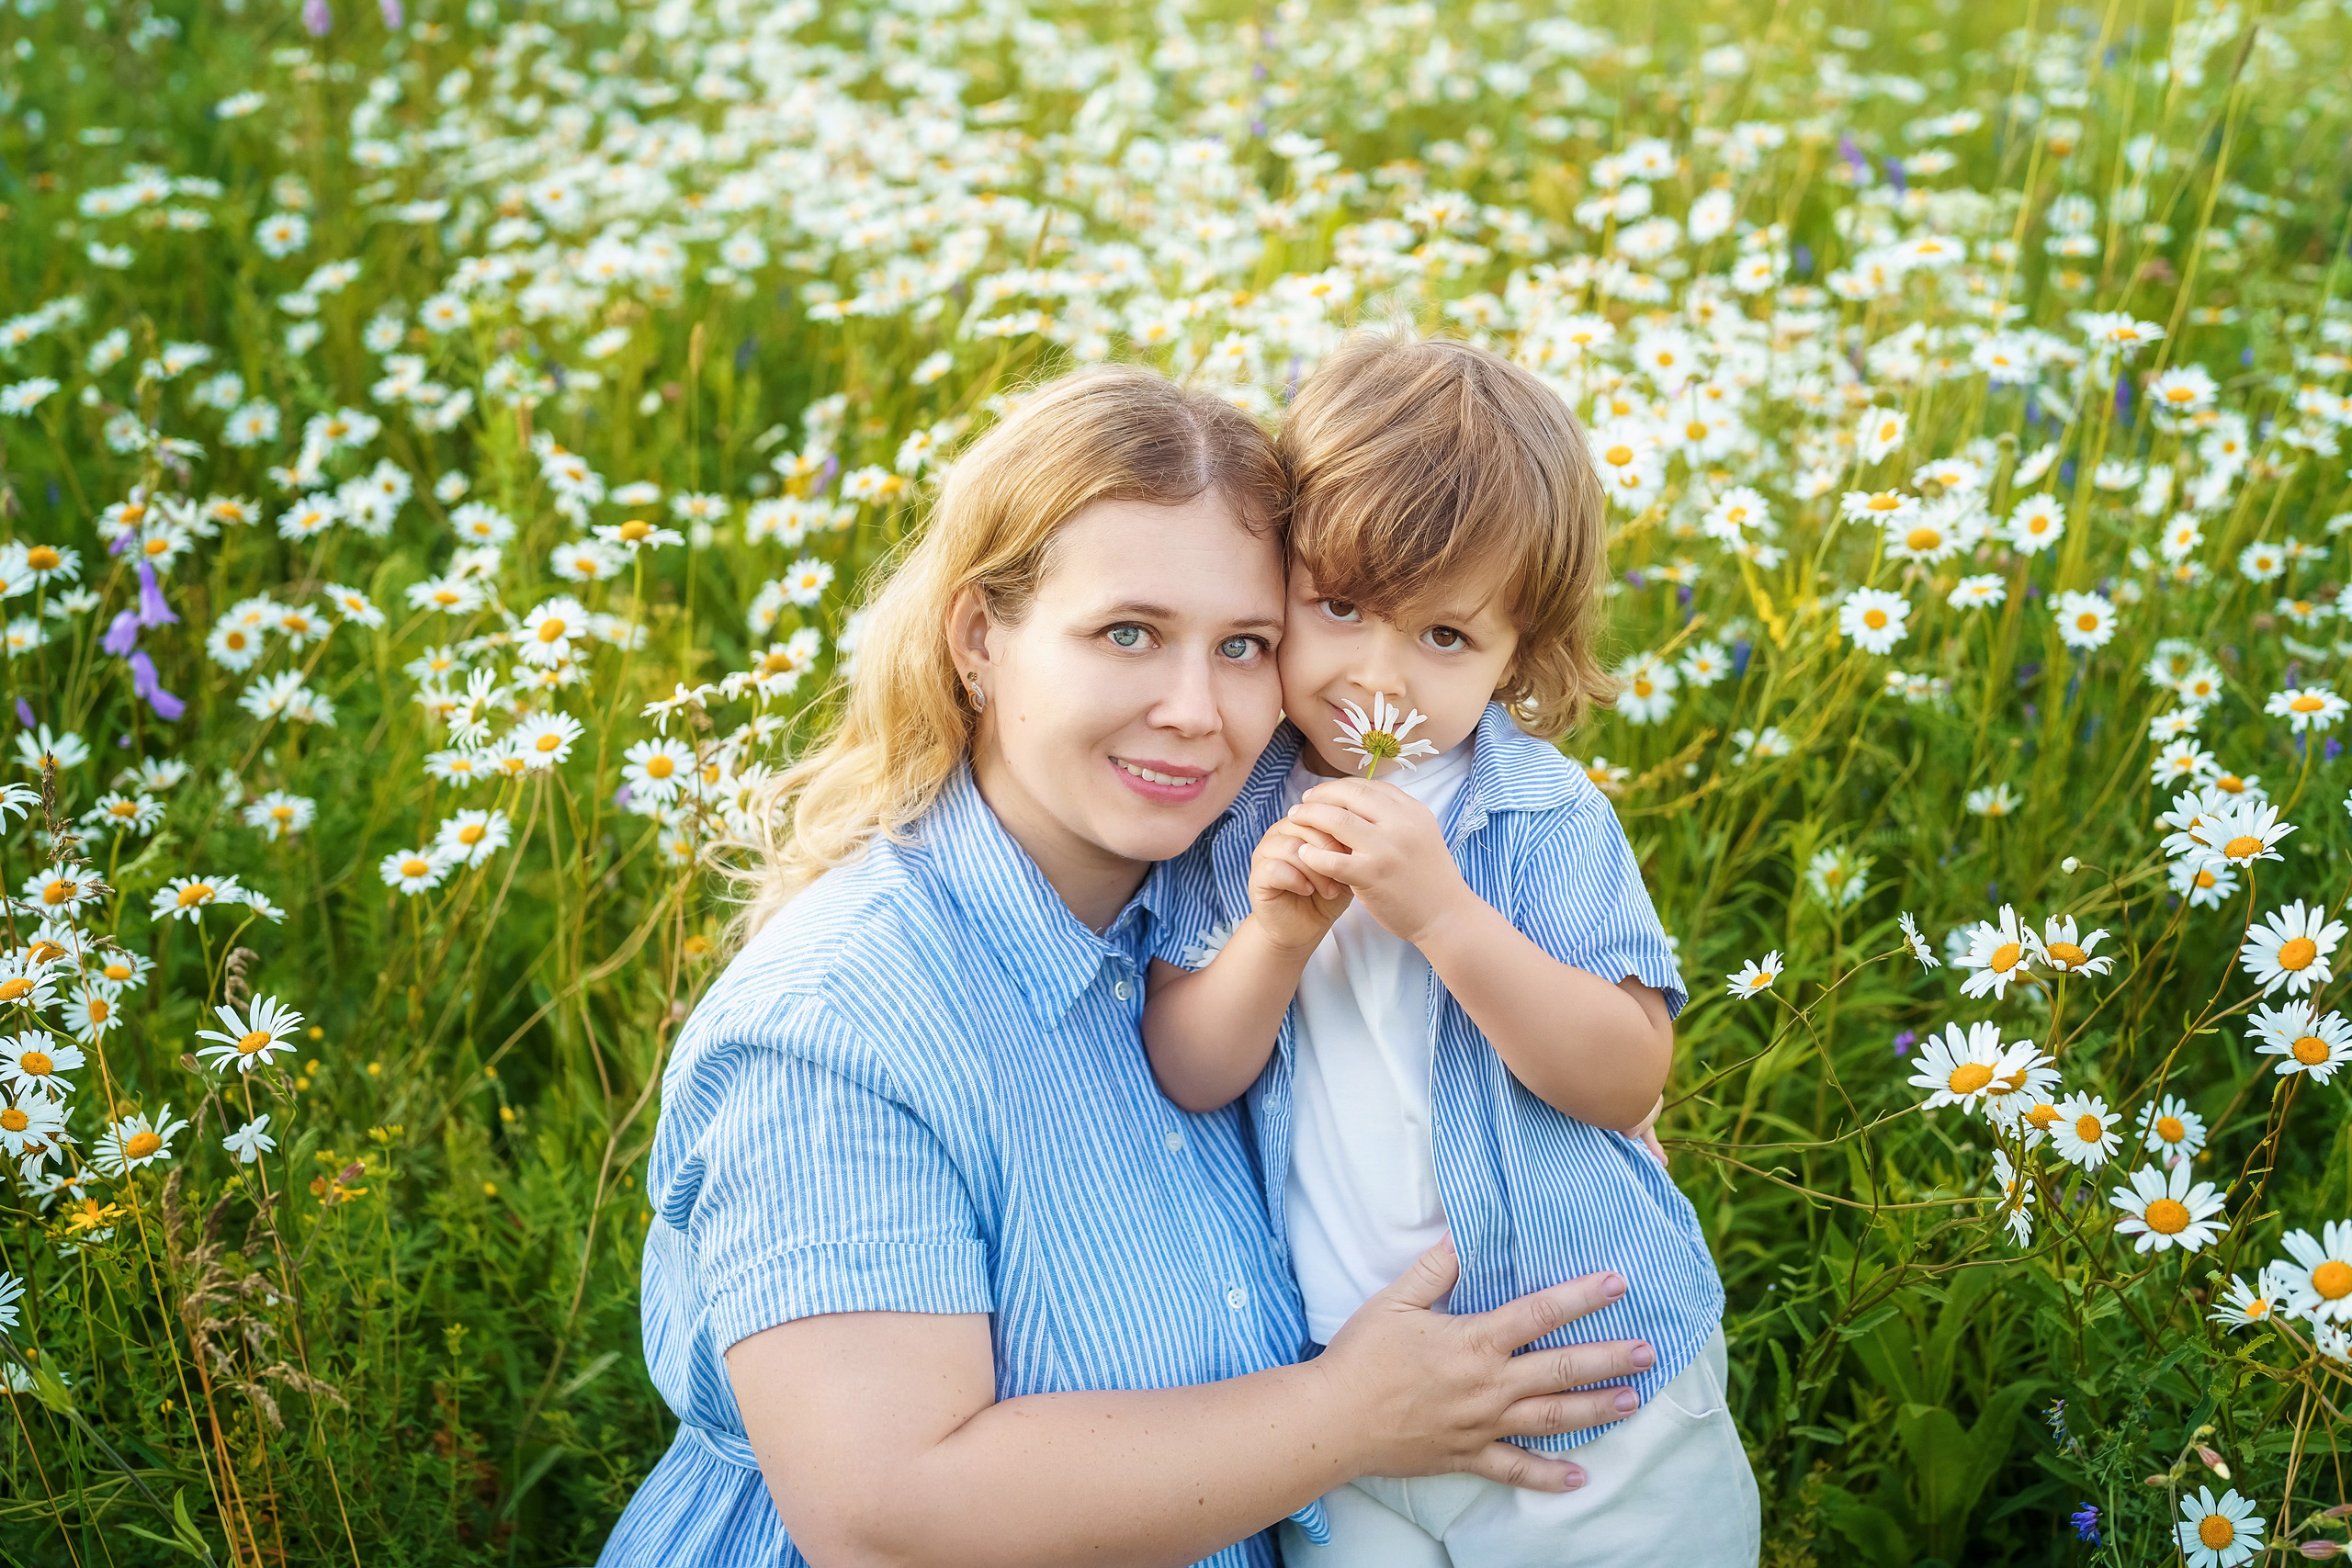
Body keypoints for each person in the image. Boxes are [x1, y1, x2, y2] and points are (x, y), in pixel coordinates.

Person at [594, 364, 1658, 1568]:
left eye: (1247, 642)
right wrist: (1351, 1419)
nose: (1196, 710)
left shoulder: (1244, 906)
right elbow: (885, 1518)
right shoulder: (842, 1022)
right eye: (1128, 633)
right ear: (980, 640)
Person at [1142, 333, 1760, 1566]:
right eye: (1341, 610)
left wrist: (1448, 918)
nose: (1378, 680)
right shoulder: (1226, 811)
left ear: (1518, 654)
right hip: (1349, 1393)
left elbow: (1628, 1075)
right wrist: (1274, 938)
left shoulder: (1536, 817)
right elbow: (1192, 1070)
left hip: (1587, 1390)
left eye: (1444, 640)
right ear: (1279, 585)